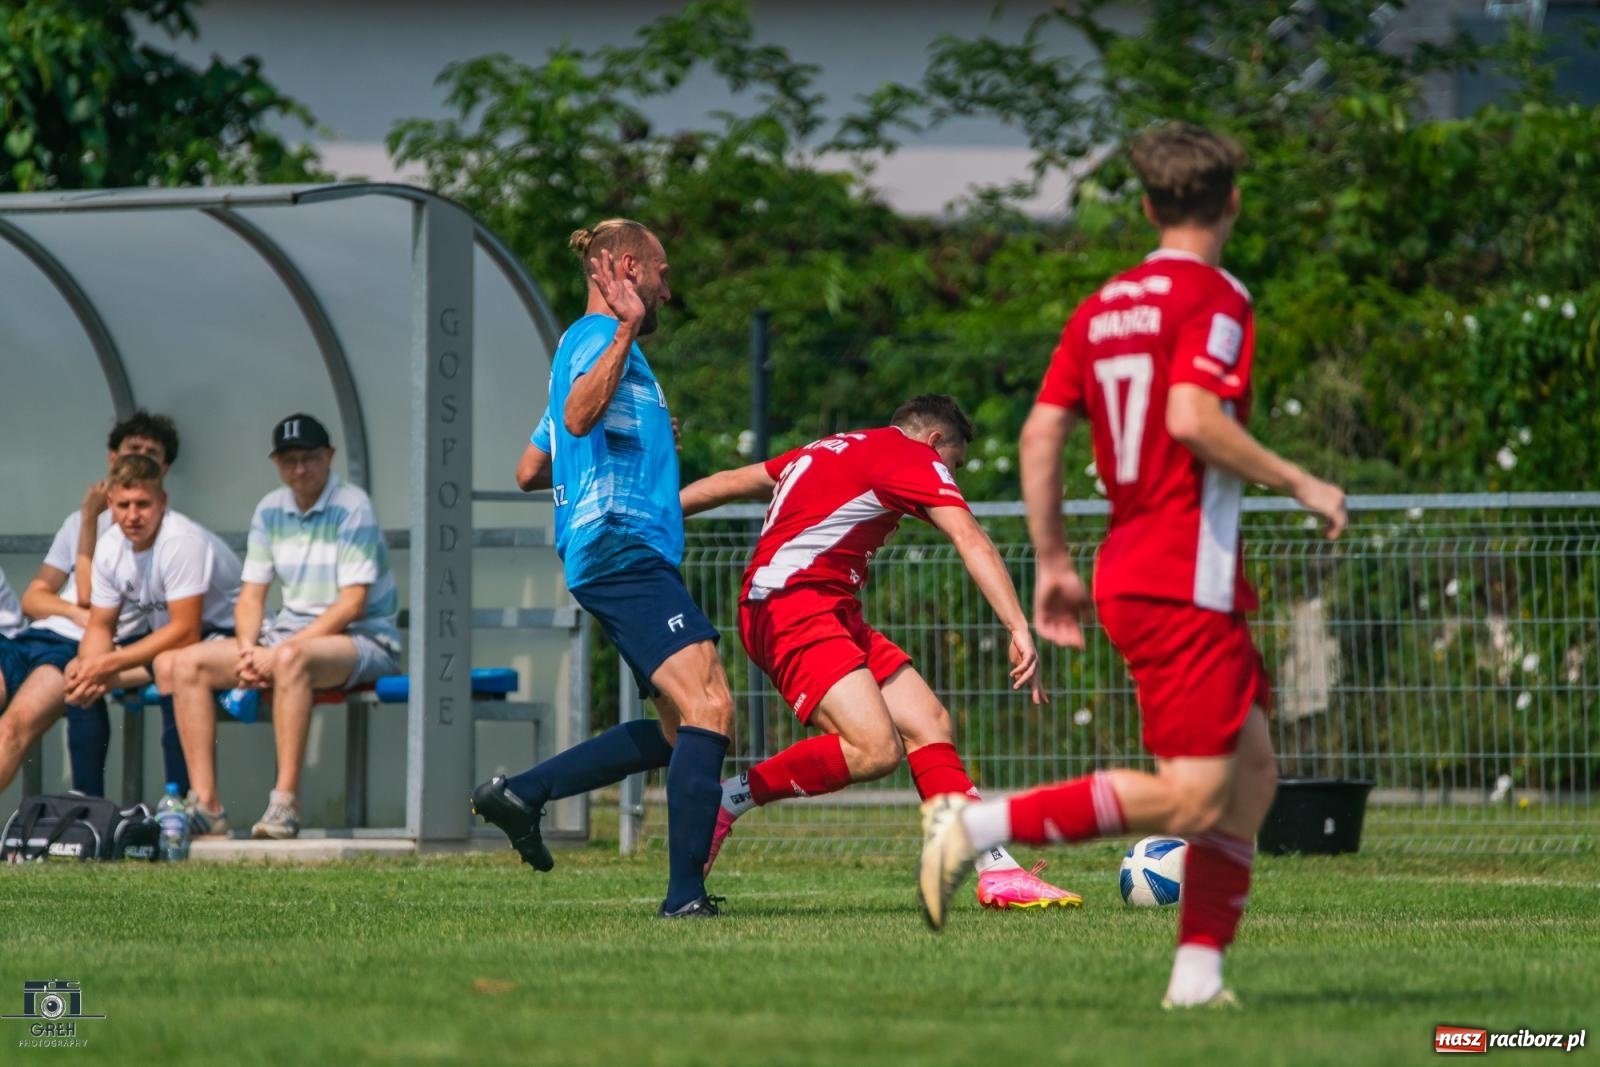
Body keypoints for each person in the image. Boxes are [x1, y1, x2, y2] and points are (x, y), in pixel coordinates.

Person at [917, 122, 1348, 1008]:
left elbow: (1042, 433)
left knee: (1253, 776)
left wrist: (1051, 562)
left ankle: (1197, 977)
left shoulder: (1105, 304)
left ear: (1150, 206)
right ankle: (979, 826)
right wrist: (1300, 478)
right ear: (1231, 201)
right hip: (1183, 572)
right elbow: (1193, 417)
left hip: (1143, 567)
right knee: (1194, 798)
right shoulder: (1220, 298)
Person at [678, 394, 1082, 911]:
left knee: (928, 721)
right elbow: (971, 538)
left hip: (827, 608)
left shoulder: (830, 447)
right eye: (953, 464)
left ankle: (996, 870)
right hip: (789, 606)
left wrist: (659, 511)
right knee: (874, 750)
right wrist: (1018, 626)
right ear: (935, 441)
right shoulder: (910, 455)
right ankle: (728, 799)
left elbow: (732, 480)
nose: (949, 476)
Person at [473, 218, 733, 919]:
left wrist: (645, 432)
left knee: (683, 729)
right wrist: (623, 334)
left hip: (614, 552)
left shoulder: (591, 356)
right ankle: (684, 898)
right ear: (625, 268)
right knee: (712, 705)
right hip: (622, 547)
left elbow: (532, 466)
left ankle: (524, 791)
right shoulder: (596, 340)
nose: (668, 290)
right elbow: (581, 416)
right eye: (662, 273)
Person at [168, 413, 401, 839]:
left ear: (329, 456)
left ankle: (284, 805)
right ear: (276, 462)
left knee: (291, 658)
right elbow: (251, 595)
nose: (299, 469)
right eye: (289, 459)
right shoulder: (270, 508)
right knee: (187, 663)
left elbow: (352, 605)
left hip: (364, 638)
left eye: (309, 458)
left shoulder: (353, 506)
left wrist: (274, 654)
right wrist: (246, 650)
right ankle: (207, 805)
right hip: (291, 636)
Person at [14, 411, 182, 796]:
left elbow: (90, 596)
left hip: (81, 645)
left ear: (164, 469)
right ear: (112, 458)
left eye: (150, 453)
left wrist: (92, 517)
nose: (138, 458)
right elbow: (34, 598)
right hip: (40, 634)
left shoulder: (155, 530)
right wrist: (73, 611)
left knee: (26, 718)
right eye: (131, 450)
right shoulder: (77, 521)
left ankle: (85, 805)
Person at [64, 454, 243, 735]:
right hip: (178, 642)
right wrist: (90, 669)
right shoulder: (110, 547)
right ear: (110, 504)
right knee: (76, 672)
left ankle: (181, 781)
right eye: (124, 505)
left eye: (143, 504)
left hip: (234, 637)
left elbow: (186, 631)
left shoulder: (179, 540)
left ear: (162, 502)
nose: (132, 515)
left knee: (168, 665)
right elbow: (100, 625)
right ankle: (87, 781)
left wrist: (107, 663)